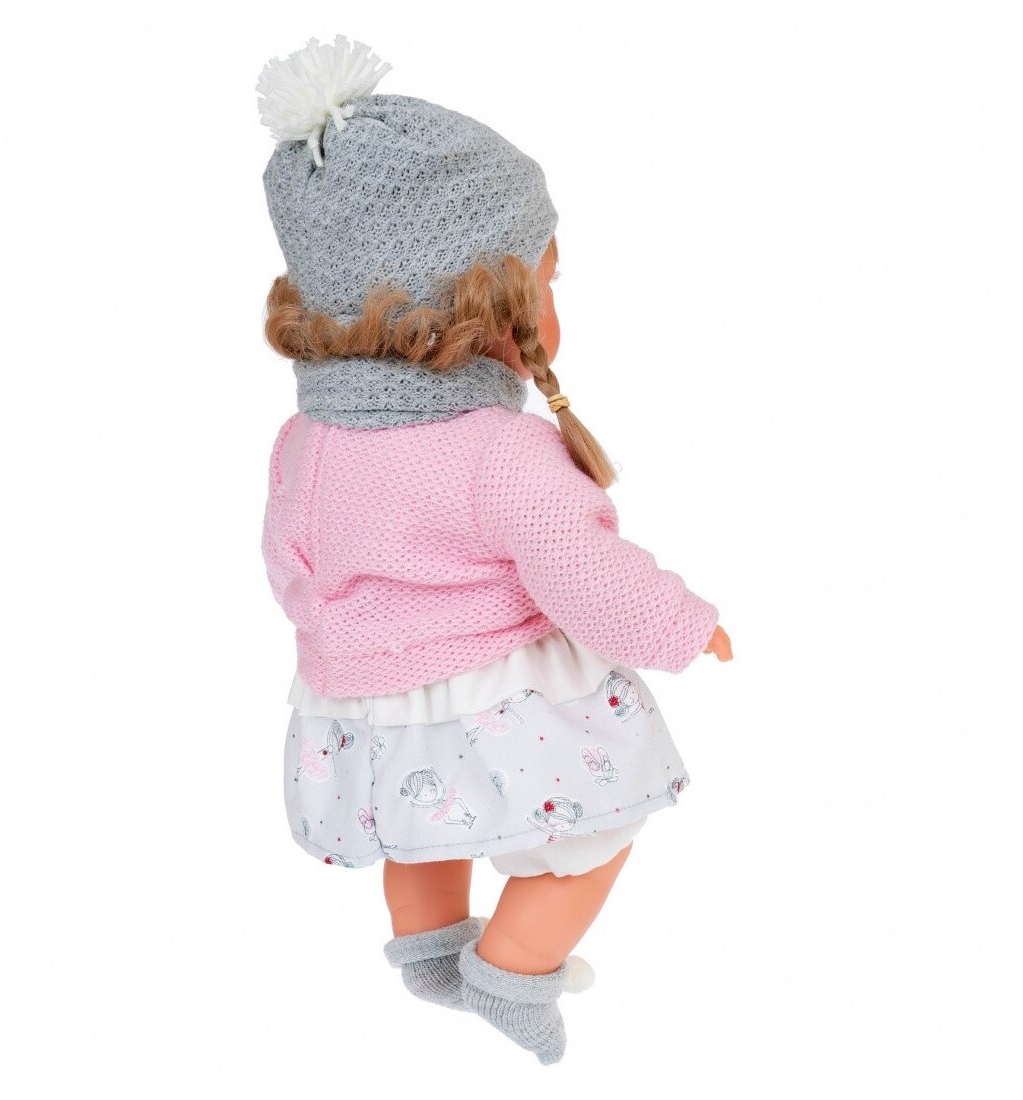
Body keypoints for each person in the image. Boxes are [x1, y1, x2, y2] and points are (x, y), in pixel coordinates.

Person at [257, 35, 733, 1065]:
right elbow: (584, 573)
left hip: (363, 706)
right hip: (503, 698)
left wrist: (347, 651)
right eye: (547, 282)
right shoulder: (499, 451)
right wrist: (683, 625)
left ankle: (431, 954)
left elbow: (289, 561)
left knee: (419, 828)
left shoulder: (307, 438)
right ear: (490, 306)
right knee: (598, 833)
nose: (555, 305)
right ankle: (514, 970)